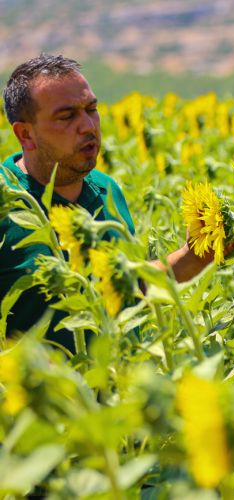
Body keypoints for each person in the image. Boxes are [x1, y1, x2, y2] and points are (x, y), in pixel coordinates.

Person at [1, 54, 219, 351]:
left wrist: (191, 258)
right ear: (25, 134)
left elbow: (126, 288)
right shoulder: (7, 201)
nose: (88, 126)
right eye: (67, 117)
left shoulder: (107, 190)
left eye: (91, 109)